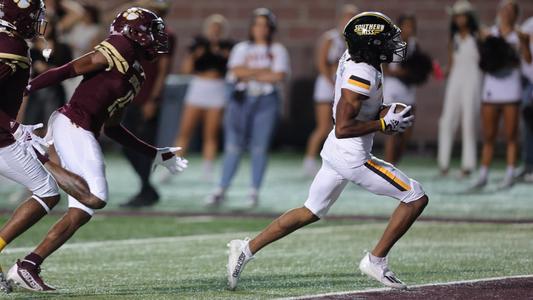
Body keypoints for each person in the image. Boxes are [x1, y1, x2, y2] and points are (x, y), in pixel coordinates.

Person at [226, 12, 428, 291]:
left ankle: (246, 248)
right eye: (385, 40)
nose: (393, 44)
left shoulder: (360, 60)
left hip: (336, 148)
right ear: (368, 45)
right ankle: (376, 260)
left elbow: (360, 109)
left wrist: (383, 112)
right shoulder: (363, 72)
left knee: (310, 211)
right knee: (415, 197)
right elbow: (345, 125)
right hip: (352, 154)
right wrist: (383, 123)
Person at [5, 8, 188, 291]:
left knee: (82, 209)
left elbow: (112, 127)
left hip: (83, 129)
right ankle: (39, 157)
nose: (157, 37)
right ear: (134, 33)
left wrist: (155, 152)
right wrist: (28, 87)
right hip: (72, 123)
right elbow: (68, 69)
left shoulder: (135, 72)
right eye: (152, 30)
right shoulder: (120, 49)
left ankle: (28, 265)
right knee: (95, 197)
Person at [0, 0, 104, 293]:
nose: (39, 22)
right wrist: (15, 127)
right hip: (2, 137)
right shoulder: (11, 45)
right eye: (35, 16)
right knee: (46, 190)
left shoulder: (11, 41)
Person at [207, 8, 290, 208]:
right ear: (251, 27)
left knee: (259, 147)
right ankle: (221, 188)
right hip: (240, 100)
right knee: (233, 146)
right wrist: (263, 71)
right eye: (257, 24)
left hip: (266, 100)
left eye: (265, 25)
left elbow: (278, 76)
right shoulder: (241, 48)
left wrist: (249, 73)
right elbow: (236, 71)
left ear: (271, 28)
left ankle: (253, 191)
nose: (261, 29)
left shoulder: (278, 50)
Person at [120, 0, 177, 207]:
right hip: (131, 93)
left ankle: (146, 189)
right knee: (125, 144)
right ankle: (147, 188)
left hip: (147, 96)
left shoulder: (164, 34)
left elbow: (163, 69)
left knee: (141, 143)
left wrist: (154, 99)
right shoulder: (139, 31)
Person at [474, 0, 531, 189]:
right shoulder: (491, 33)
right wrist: (483, 40)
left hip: (511, 88)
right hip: (492, 88)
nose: (506, 13)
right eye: (503, 9)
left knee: (511, 135)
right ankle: (483, 174)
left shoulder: (520, 34)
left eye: (510, 10)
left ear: (516, 14)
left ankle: (509, 173)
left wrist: (524, 43)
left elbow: (527, 61)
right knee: (489, 135)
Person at [173, 14, 233, 181]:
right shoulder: (198, 44)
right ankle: (172, 167)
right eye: (213, 27)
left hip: (217, 88)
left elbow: (232, 70)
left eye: (218, 28)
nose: (215, 30)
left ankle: (207, 169)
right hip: (199, 86)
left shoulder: (228, 46)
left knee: (210, 133)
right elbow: (185, 69)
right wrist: (195, 56)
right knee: (185, 131)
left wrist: (225, 55)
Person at [303, 4, 358, 176]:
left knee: (343, 126)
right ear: (340, 19)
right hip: (327, 87)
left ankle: (340, 162)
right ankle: (309, 160)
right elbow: (320, 63)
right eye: (347, 17)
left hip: (345, 88)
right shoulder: (330, 38)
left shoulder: (357, 41)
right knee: (323, 126)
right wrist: (333, 83)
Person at [438, 0, 481, 177]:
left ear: (468, 17)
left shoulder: (478, 36)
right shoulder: (453, 38)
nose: (459, 19)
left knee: (469, 121)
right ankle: (443, 164)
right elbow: (451, 63)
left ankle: (468, 165)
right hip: (456, 79)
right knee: (446, 120)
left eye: (462, 16)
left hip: (473, 78)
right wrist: (441, 71)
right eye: (456, 16)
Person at [382, 14, 432, 165]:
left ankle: (394, 165)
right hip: (393, 87)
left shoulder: (414, 44)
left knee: (407, 133)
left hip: (408, 88)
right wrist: (398, 72)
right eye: (406, 25)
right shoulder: (391, 43)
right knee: (393, 130)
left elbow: (417, 66)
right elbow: (383, 66)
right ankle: (389, 167)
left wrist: (418, 73)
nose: (409, 28)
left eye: (412, 25)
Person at [518, 16, 533, 182]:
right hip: (529, 82)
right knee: (528, 124)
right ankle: (529, 165)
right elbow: (527, 57)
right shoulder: (529, 24)